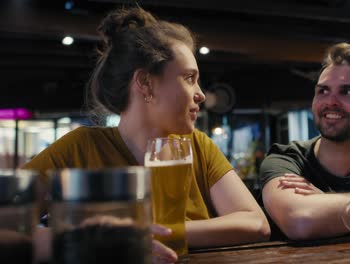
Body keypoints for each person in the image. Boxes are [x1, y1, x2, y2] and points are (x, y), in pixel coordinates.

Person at [23, 7, 270, 263]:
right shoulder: (79, 147)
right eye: (189, 78)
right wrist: (99, 242)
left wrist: (155, 233)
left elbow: (256, 223)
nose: (201, 95)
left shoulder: (198, 145)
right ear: (145, 83)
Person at [260, 43, 350, 241]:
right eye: (323, 91)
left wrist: (323, 203)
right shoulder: (285, 159)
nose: (331, 102)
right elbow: (300, 221)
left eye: (347, 92)